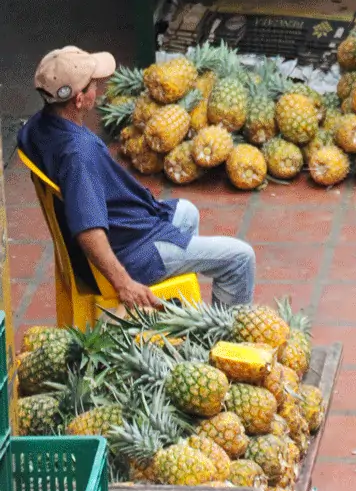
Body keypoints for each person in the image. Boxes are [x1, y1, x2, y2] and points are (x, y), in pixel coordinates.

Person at [18, 46, 256, 308]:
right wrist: (124, 284)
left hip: (128, 229)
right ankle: (227, 341)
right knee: (240, 258)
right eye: (94, 85)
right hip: (132, 252)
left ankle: (177, 312)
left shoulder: (36, 127)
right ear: (79, 99)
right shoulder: (78, 155)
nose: (99, 89)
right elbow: (88, 231)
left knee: (187, 211)